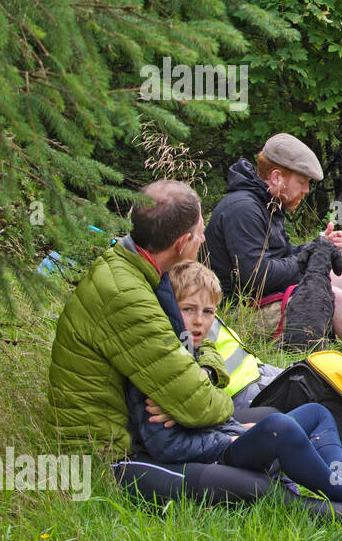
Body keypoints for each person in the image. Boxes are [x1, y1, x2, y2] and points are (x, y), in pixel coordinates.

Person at [131, 260, 342, 515]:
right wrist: (230, 437)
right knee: (280, 426)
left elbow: (205, 403)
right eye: (188, 309)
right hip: (215, 453)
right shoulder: (161, 363)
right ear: (170, 310)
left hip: (224, 431)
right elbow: (166, 443)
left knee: (316, 412)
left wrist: (229, 422)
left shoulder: (191, 348)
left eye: (208, 312)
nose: (199, 321)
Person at [48, 181, 234, 454]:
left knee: (271, 424)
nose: (203, 240)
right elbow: (198, 406)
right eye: (199, 234)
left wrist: (202, 376)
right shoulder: (126, 296)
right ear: (182, 243)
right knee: (264, 460)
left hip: (139, 430)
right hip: (105, 452)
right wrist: (206, 401)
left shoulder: (138, 269)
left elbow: (196, 353)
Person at [203, 133, 342, 352]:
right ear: (276, 177)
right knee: (332, 298)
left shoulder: (268, 202)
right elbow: (256, 276)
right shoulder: (243, 210)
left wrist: (316, 246)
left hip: (263, 298)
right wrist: (313, 258)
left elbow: (282, 254)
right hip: (240, 314)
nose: (306, 190)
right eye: (301, 181)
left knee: (337, 274)